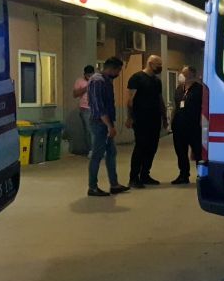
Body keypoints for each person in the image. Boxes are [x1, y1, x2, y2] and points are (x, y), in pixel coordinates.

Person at [87, 57, 130, 197]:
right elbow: (99, 107)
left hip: (105, 123)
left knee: (111, 153)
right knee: (97, 155)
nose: (118, 73)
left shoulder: (106, 81)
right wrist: (109, 126)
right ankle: (92, 187)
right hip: (100, 123)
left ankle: (114, 184)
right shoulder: (97, 81)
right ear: (112, 68)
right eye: (118, 70)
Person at [126, 55, 168, 188]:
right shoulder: (136, 78)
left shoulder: (157, 81)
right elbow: (130, 100)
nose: (160, 67)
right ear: (150, 63)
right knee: (140, 147)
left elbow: (160, 99)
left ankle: (145, 174)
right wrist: (129, 117)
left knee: (152, 147)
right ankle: (133, 178)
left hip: (154, 119)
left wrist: (164, 117)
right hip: (141, 119)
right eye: (158, 65)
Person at [171, 66, 203, 184]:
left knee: (198, 152)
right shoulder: (179, 89)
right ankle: (183, 175)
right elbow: (176, 106)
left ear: (191, 74)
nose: (181, 75)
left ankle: (202, 175)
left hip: (194, 126)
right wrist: (171, 121)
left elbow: (204, 107)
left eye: (184, 73)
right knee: (181, 152)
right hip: (179, 126)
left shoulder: (199, 89)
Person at [73, 65, 95, 156]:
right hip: (85, 109)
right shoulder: (79, 81)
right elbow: (75, 94)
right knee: (89, 130)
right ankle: (91, 150)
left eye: (91, 75)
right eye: (88, 75)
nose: (89, 77)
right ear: (84, 74)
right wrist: (86, 87)